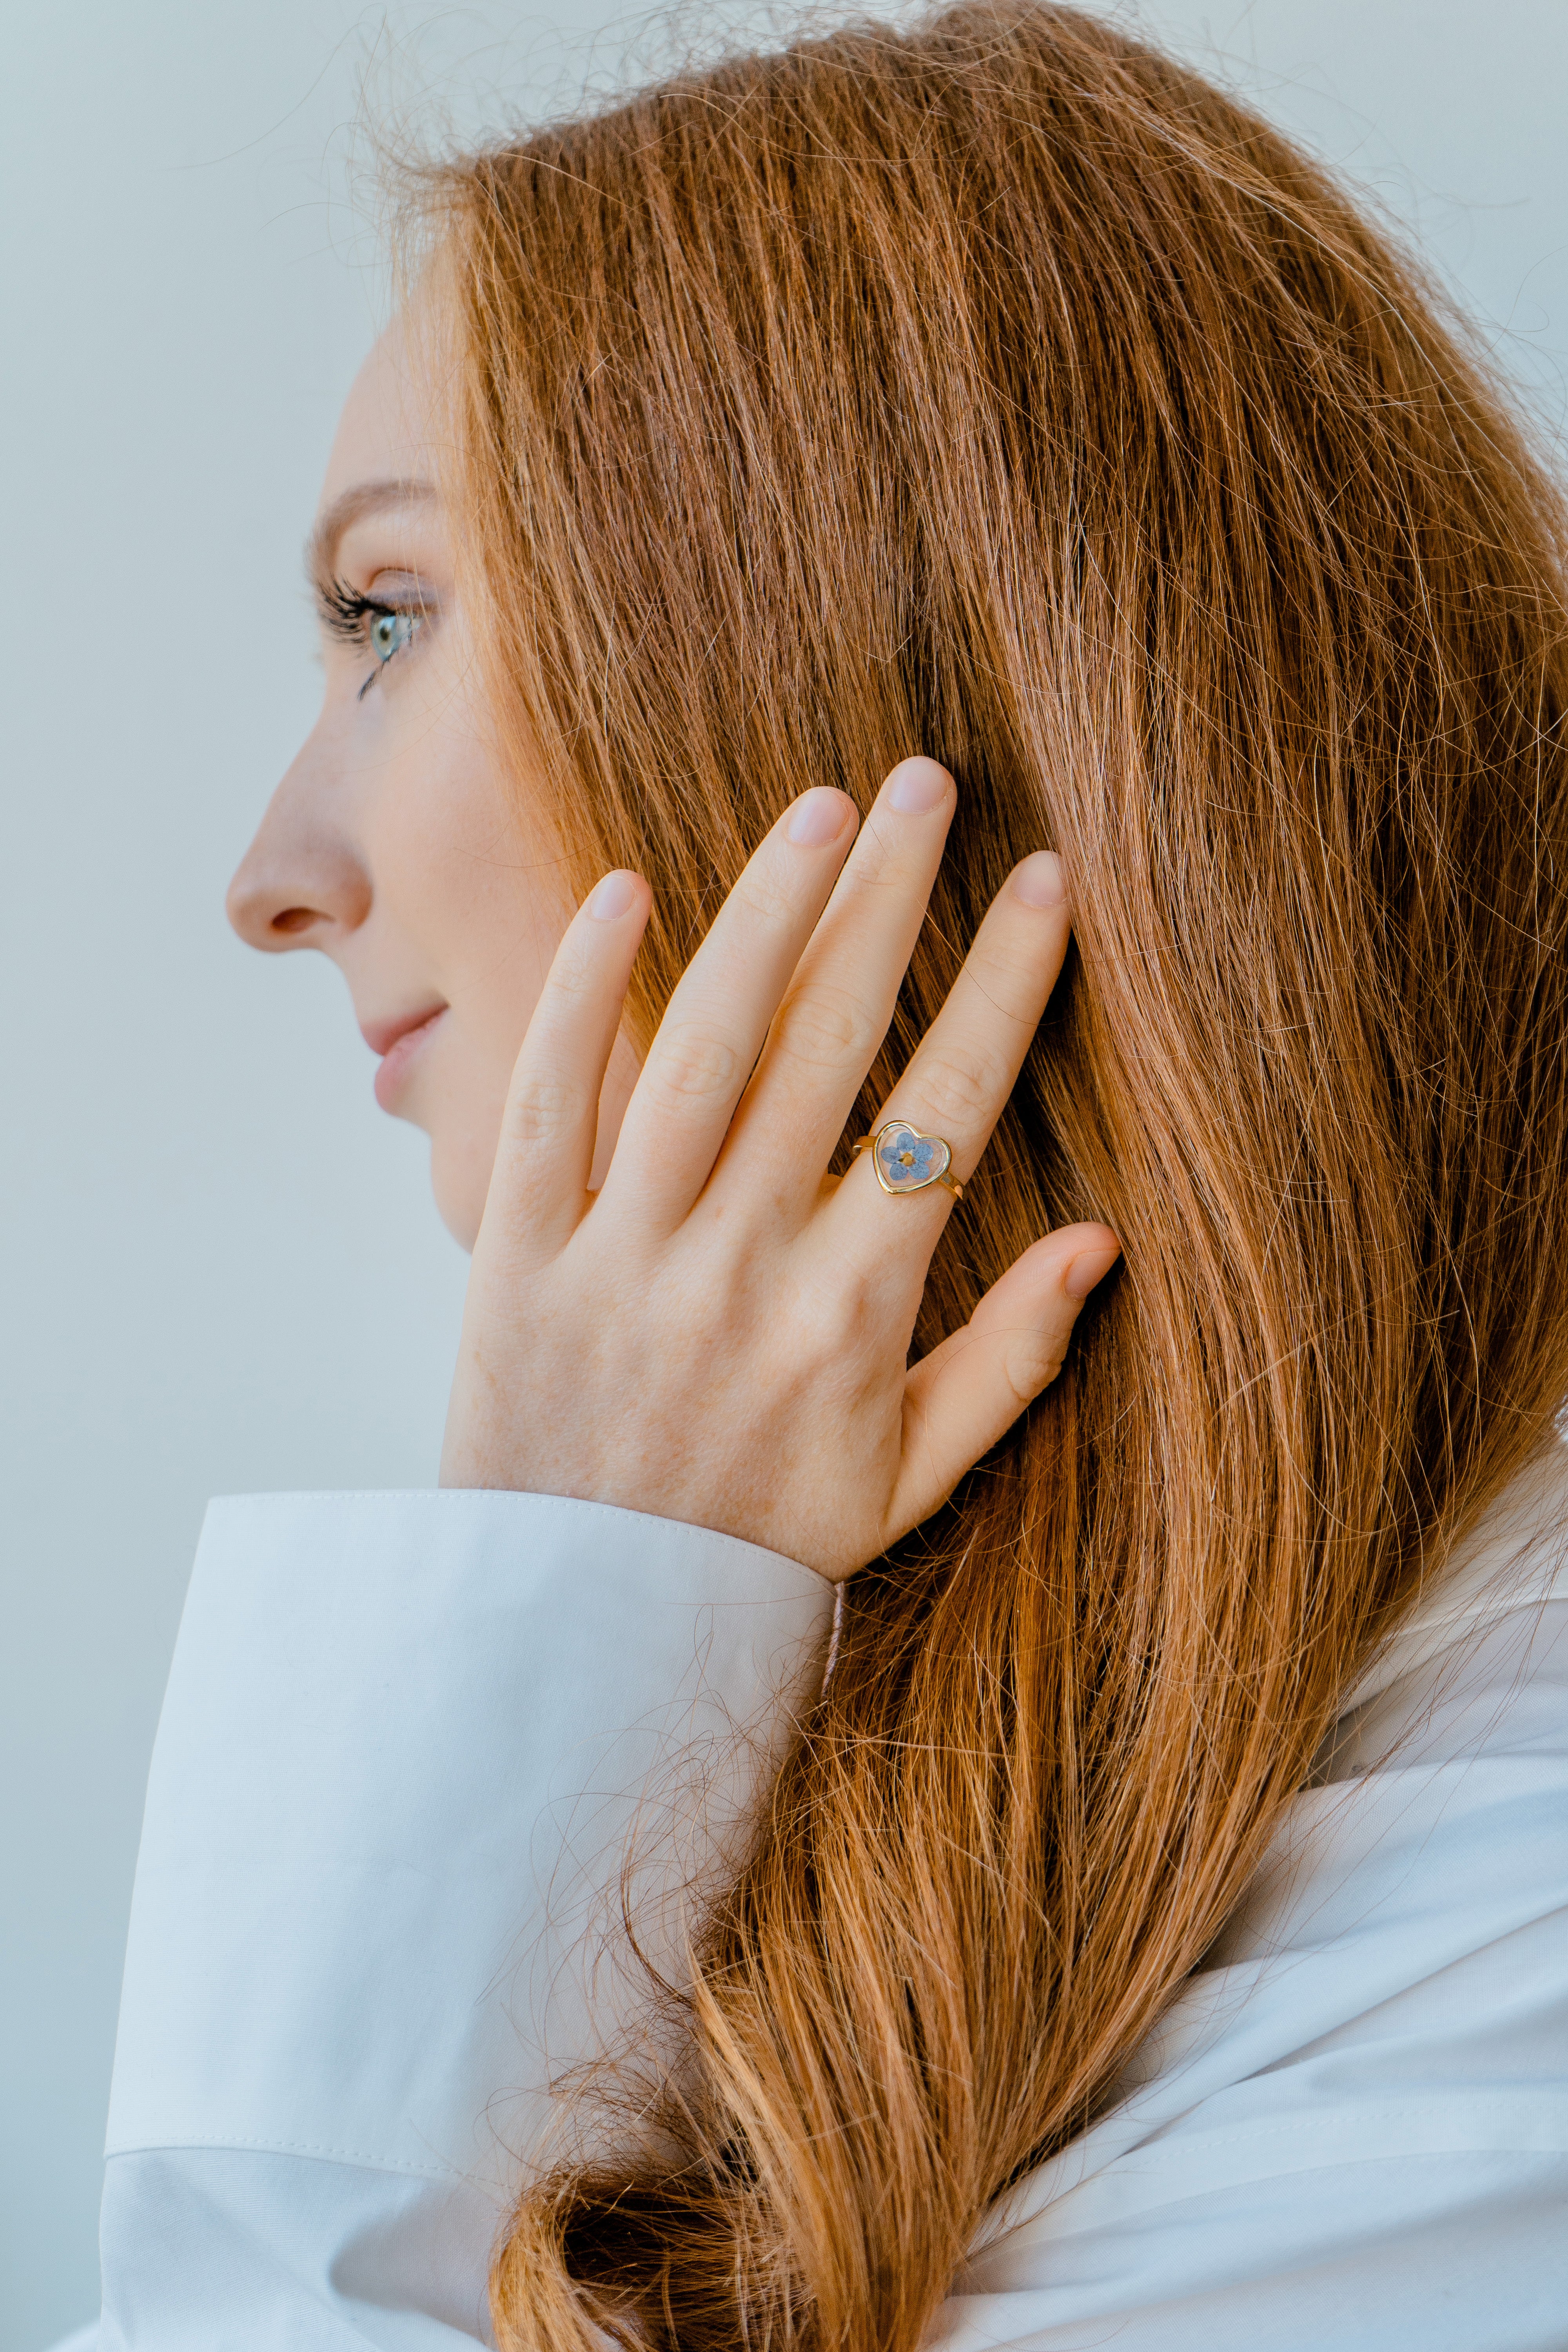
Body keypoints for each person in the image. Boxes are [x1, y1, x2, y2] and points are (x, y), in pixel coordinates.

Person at [53, 5, 1568, 2347]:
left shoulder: (1508, 1921)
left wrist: (560, 1605)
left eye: (391, 619)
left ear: (827, 660)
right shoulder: (1042, 1771)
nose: (275, 872)